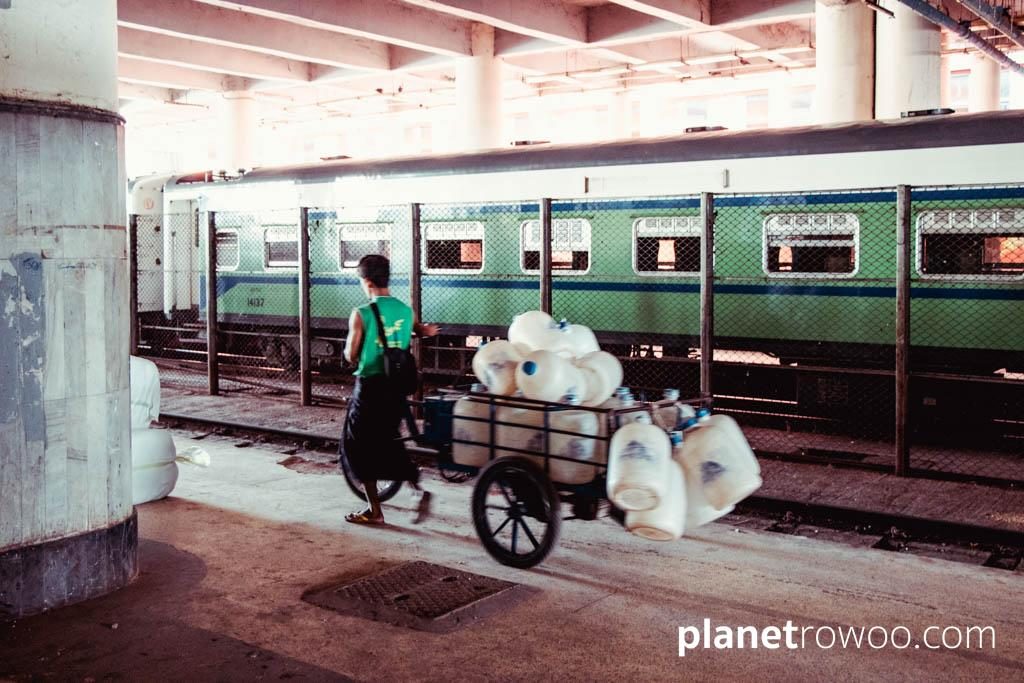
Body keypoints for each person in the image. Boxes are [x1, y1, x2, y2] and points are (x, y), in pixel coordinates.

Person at [341, 254, 439, 525]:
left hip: (370, 386)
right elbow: (416, 331)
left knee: (356, 447)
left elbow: (351, 355)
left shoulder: (361, 313)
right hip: (396, 388)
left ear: (368, 282)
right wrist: (425, 331)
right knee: (388, 439)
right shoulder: (406, 311)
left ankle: (374, 510)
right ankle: (417, 489)